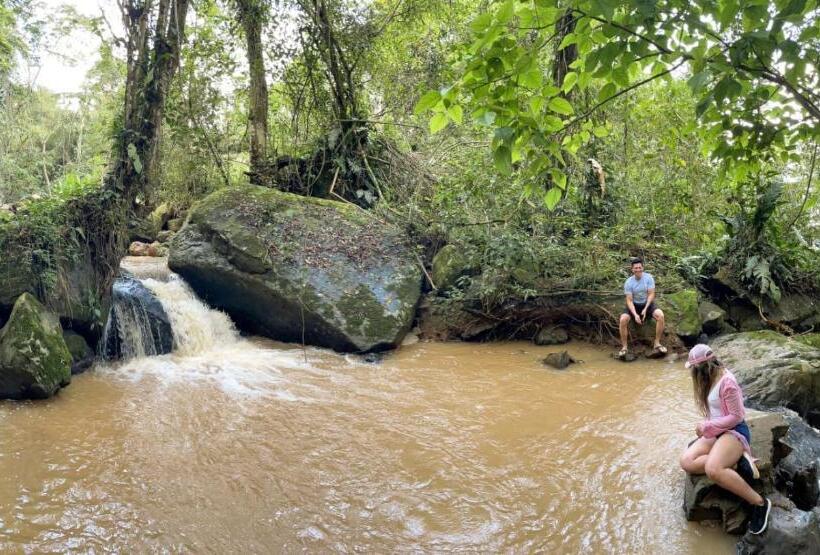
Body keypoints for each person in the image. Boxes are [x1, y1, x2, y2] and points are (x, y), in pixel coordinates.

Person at [679, 344, 771, 535]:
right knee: (686, 461)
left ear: (701, 368)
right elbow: (717, 412)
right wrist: (709, 425)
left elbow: (737, 416)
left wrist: (707, 427)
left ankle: (759, 503)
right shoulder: (710, 379)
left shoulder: (727, 382)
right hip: (718, 431)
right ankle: (735, 464)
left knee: (713, 469)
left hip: (734, 432)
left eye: (693, 370)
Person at [618, 258, 666, 357]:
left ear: (643, 268)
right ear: (632, 269)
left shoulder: (649, 278)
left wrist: (645, 309)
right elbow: (629, 300)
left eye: (640, 267)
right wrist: (635, 315)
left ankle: (657, 343)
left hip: (647, 304)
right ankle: (624, 347)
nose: (638, 269)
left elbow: (651, 294)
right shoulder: (628, 282)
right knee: (623, 319)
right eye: (636, 268)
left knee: (660, 315)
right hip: (633, 305)